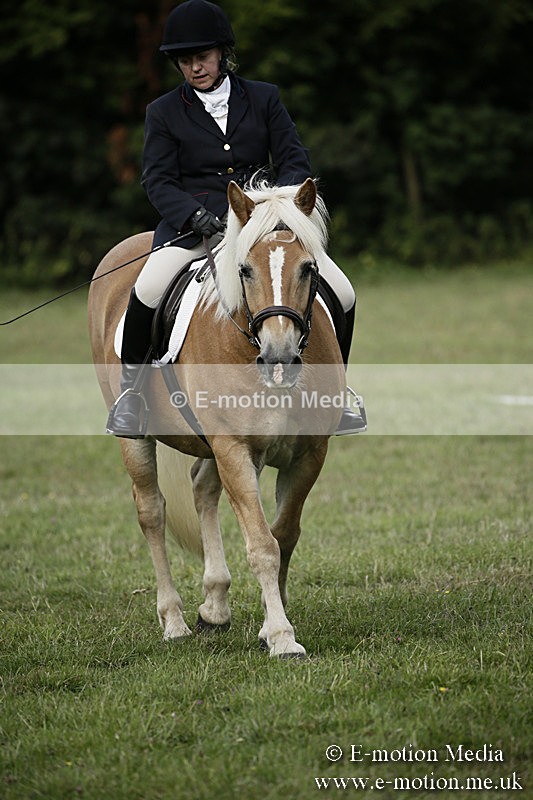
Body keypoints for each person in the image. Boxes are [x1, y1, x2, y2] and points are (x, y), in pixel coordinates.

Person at [106, 0, 365, 438]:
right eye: (185, 61)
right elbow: (158, 180)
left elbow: (293, 160)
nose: (195, 68)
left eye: (202, 58)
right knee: (148, 289)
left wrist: (273, 210)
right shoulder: (163, 112)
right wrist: (195, 215)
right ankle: (131, 395)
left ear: (222, 54)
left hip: (263, 226)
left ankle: (335, 393)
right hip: (195, 229)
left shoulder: (264, 98)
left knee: (342, 291)